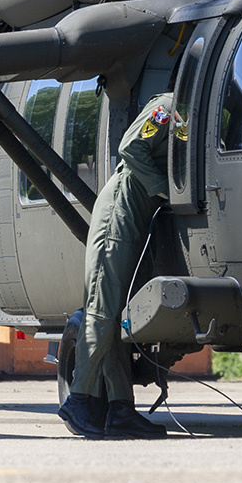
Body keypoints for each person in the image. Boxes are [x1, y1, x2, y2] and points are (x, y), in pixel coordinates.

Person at [58, 93, 176, 440]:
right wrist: (163, 189)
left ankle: (121, 409)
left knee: (118, 319)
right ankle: (78, 398)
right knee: (102, 311)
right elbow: (130, 147)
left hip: (135, 220)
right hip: (118, 218)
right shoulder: (169, 106)